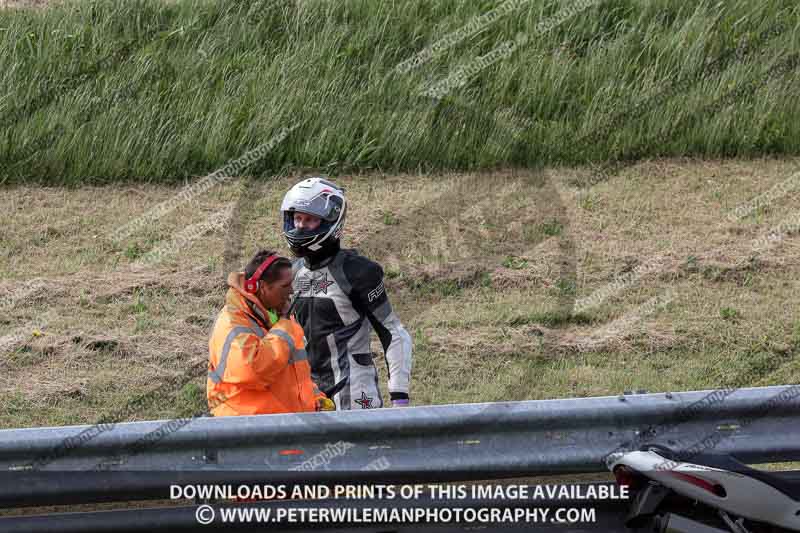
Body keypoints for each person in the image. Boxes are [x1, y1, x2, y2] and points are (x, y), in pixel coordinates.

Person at [279, 177, 413, 410]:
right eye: (297, 218)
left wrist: (399, 398)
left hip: (355, 391)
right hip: (307, 391)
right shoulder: (292, 272)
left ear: (331, 221)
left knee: (360, 447)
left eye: (309, 220)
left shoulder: (359, 271)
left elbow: (393, 332)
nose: (300, 226)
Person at [207, 250, 335, 416]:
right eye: (285, 286)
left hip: (283, 428)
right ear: (261, 287)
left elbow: (295, 373)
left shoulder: (278, 314)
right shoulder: (232, 323)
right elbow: (253, 372)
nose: (291, 291)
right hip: (248, 432)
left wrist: (315, 399)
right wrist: (284, 326)